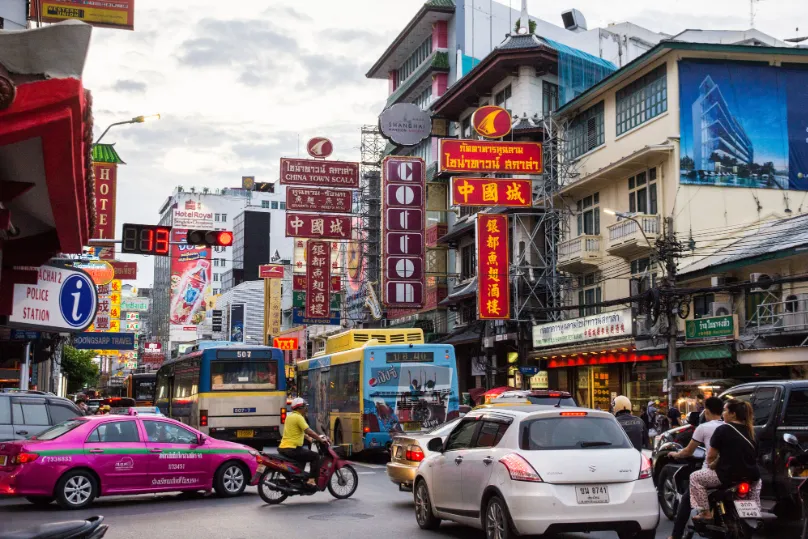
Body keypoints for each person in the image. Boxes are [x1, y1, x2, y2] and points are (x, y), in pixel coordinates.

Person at [689, 399, 761, 521]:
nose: (723, 414)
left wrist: (712, 465)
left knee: (695, 477)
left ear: (733, 414)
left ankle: (705, 512)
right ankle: (755, 514)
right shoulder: (752, 431)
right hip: (753, 476)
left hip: (728, 476)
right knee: (754, 494)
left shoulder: (723, 429)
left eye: (725, 410)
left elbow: (710, 456)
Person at [666, 397, 724, 539]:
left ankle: (676, 535)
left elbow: (688, 451)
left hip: (710, 473)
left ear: (707, 411)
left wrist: (676, 454)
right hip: (732, 472)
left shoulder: (703, 428)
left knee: (686, 499)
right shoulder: (728, 426)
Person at [278, 398, 328, 486]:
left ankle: (299, 479)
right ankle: (311, 480)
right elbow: (308, 430)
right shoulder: (299, 417)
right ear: (300, 408)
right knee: (315, 456)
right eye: (305, 407)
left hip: (284, 447)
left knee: (304, 457)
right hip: (292, 448)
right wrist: (320, 439)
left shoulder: (290, 416)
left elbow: (298, 431)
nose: (306, 409)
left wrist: (309, 439)